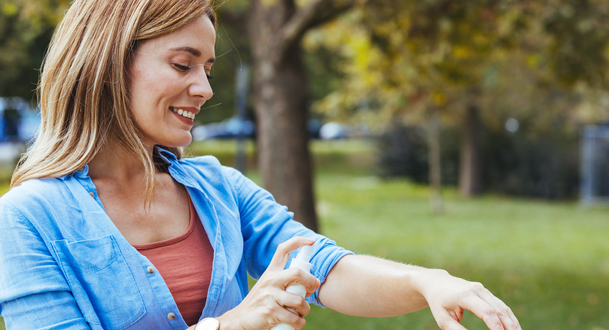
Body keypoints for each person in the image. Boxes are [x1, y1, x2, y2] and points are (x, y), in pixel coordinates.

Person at [0, 0, 521, 329]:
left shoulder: (218, 188)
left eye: (206, 68)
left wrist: (428, 282)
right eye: (182, 64)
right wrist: (232, 326)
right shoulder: (28, 218)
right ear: (109, 65)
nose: (204, 88)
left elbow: (323, 267)